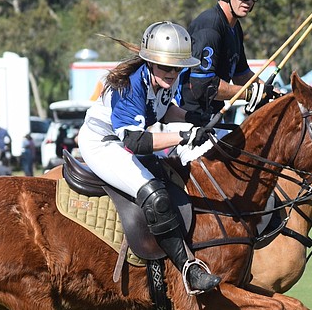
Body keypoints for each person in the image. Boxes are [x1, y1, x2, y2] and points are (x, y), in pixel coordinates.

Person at [77, 21, 221, 294]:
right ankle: (188, 270)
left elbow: (163, 112)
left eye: (178, 68)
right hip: (102, 144)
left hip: (125, 142)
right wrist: (184, 136)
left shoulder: (164, 81)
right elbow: (137, 142)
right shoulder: (129, 86)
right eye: (167, 67)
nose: (173, 73)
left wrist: (193, 119)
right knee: (155, 194)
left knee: (178, 176)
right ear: (150, 63)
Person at [180, 0, 279, 124]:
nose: (248, 1)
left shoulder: (234, 27)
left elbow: (241, 75)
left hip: (214, 119)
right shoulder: (209, 28)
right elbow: (204, 87)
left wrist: (271, 93)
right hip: (187, 120)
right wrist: (248, 93)